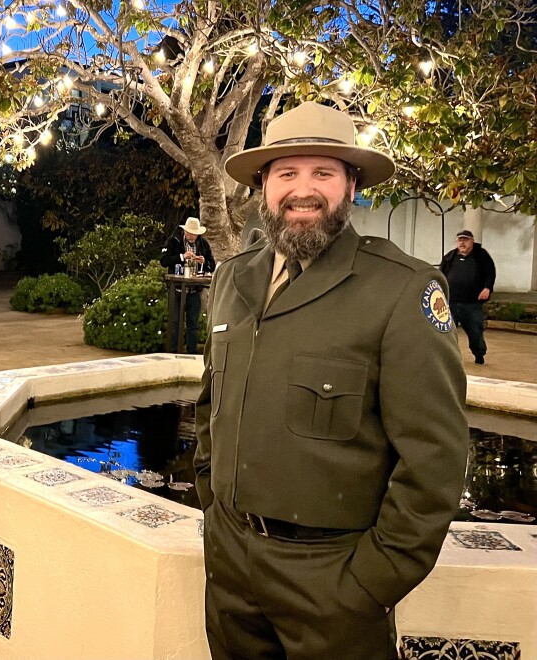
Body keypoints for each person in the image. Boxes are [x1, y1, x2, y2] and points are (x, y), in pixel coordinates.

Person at [196, 102, 469, 659]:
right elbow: (210, 409)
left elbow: (435, 460)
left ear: (351, 186)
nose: (304, 189)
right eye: (286, 173)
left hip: (332, 581)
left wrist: (368, 584)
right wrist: (212, 508)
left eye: (323, 172)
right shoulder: (231, 279)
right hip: (230, 570)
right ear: (264, 186)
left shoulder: (401, 290)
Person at [159, 217, 216, 353]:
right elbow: (164, 260)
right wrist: (182, 257)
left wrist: (204, 262)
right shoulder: (174, 241)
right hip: (177, 289)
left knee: (193, 325)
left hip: (194, 290)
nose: (192, 236)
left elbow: (212, 264)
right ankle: (173, 352)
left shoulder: (203, 244)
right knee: (175, 323)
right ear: (185, 232)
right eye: (190, 233)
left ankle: (192, 353)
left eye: (195, 233)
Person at [440, 229, 496, 364]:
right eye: (460, 240)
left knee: (475, 330)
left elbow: (490, 272)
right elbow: (441, 274)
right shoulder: (450, 256)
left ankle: (479, 355)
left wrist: (487, 288)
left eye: (465, 240)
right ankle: (447, 357)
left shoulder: (481, 256)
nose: (462, 243)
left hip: (472, 302)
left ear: (472, 241)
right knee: (446, 331)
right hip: (451, 301)